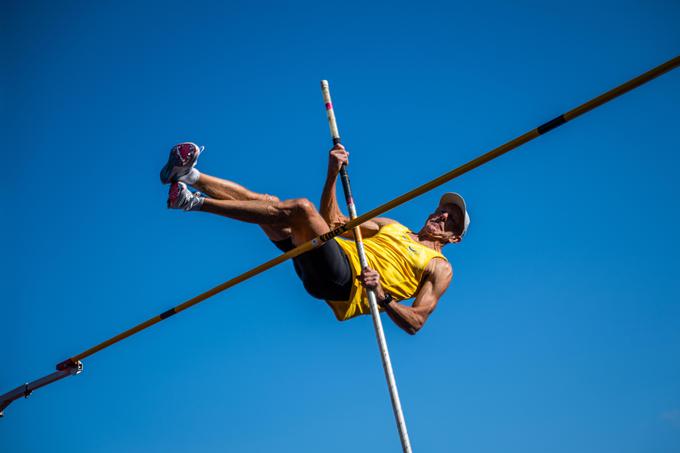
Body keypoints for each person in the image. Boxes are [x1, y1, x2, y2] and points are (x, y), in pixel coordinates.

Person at [160, 142, 470, 334]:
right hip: (328, 254)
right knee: (268, 203)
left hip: (346, 282)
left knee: (300, 208)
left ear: (455, 238)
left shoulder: (439, 266)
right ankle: (187, 176)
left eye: (450, 219)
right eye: (442, 210)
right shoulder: (394, 227)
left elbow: (417, 321)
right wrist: (332, 173)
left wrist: (384, 297)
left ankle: (192, 202)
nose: (442, 216)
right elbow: (332, 221)